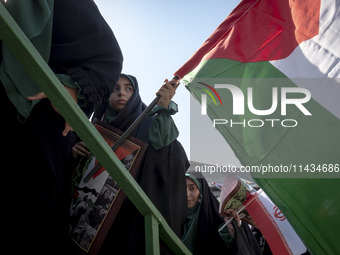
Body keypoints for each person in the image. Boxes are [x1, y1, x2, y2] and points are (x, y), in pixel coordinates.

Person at [1, 1, 123, 254]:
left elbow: (106, 56)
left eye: (128, 89)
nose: (122, 94)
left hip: (36, 129)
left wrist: (72, 88)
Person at [72, 73, 189, 254]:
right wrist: (74, 151)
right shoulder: (92, 126)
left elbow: (167, 154)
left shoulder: (149, 125)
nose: (121, 93)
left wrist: (163, 108)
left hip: (121, 222)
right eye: (115, 88)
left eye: (128, 89)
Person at [183, 170, 237, 254]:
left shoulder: (216, 222)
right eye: (182, 188)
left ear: (201, 192)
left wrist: (231, 231)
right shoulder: (172, 218)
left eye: (192, 188)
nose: (187, 194)